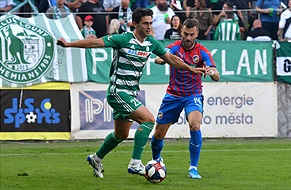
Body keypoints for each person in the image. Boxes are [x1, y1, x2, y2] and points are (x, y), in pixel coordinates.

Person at [57, 8, 204, 178]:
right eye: (145, 24)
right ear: (135, 24)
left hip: (130, 93)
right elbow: (95, 43)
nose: (149, 27)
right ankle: (135, 163)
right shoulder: (123, 39)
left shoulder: (151, 43)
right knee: (149, 120)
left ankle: (96, 158)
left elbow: (171, 59)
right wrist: (68, 44)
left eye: (150, 23)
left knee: (121, 134)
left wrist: (191, 69)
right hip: (118, 91)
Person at [151, 18, 220, 179]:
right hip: (173, 95)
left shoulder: (203, 52)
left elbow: (217, 76)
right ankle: (156, 161)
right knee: (158, 134)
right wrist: (164, 59)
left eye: (191, 35)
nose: (188, 38)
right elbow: (158, 58)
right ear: (181, 31)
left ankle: (193, 168)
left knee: (195, 125)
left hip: (193, 95)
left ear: (197, 34)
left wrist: (211, 72)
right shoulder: (174, 47)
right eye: (185, 34)